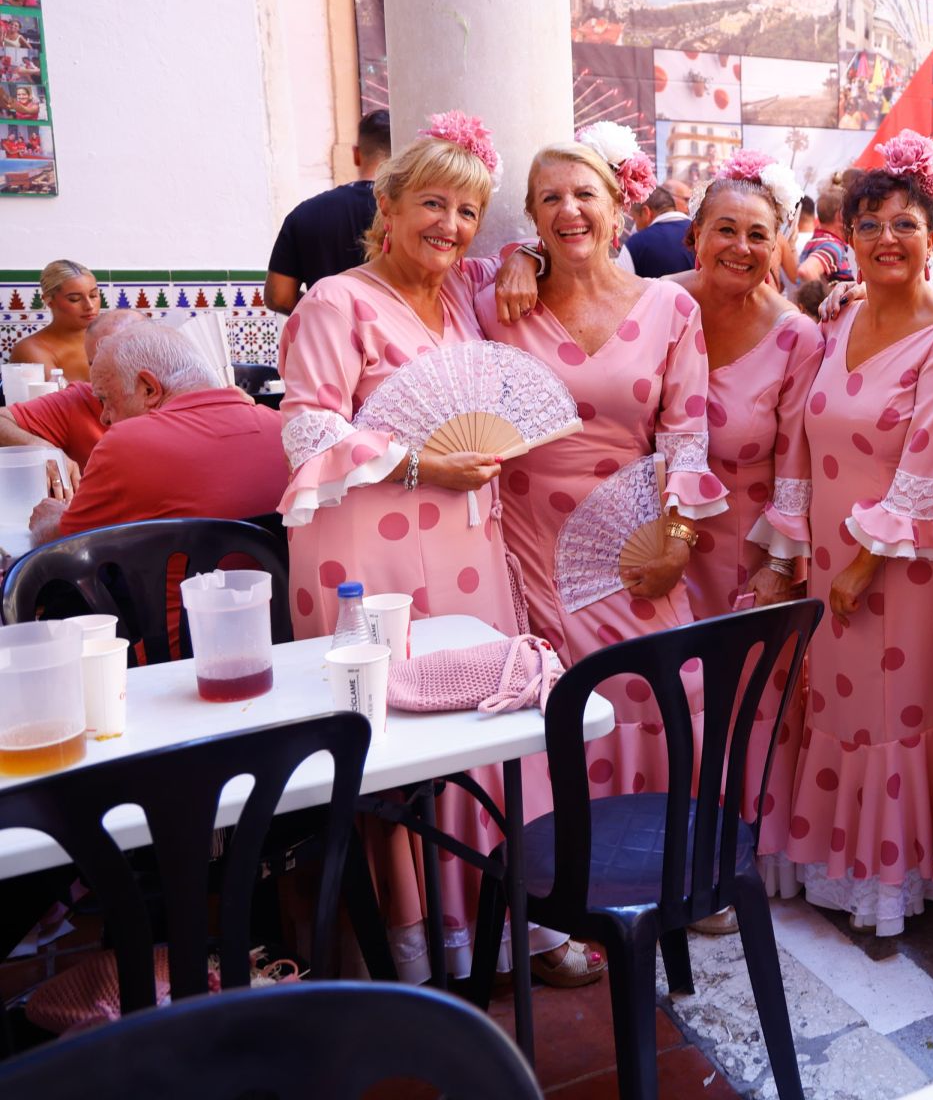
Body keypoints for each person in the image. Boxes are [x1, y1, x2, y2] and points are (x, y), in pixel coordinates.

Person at [277, 113, 561, 984]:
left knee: (482, 720)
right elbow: (306, 423)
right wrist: (415, 464)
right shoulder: (336, 300)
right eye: (432, 203)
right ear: (387, 208)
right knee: (393, 733)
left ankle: (507, 916)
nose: (450, 225)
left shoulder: (465, 297)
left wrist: (528, 256)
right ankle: (415, 940)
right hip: (369, 548)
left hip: (467, 542)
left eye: (469, 211)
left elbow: (532, 257)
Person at [776, 133, 933, 935]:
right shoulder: (839, 320)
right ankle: (834, 860)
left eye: (904, 224)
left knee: (893, 711)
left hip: (900, 566)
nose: (886, 239)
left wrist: (859, 568)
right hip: (827, 552)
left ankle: (888, 882)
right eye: (869, 225)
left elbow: (926, 470)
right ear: (847, 237)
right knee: (838, 707)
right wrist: (795, 546)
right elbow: (803, 433)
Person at [479, 138, 724, 731]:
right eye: (550, 198)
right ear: (534, 218)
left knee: (650, 699)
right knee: (543, 712)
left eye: (586, 194)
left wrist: (677, 544)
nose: (569, 210)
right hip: (524, 553)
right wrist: (519, 259)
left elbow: (685, 439)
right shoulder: (495, 308)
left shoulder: (670, 307)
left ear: (618, 209)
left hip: (633, 550)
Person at [670, 150, 824, 891]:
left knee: (735, 709)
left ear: (779, 243)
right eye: (724, 229)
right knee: (660, 700)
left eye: (759, 234)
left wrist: (777, 564)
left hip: (741, 553)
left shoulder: (798, 336)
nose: (740, 247)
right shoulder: (654, 305)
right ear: (693, 233)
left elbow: (797, 454)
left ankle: (723, 861)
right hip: (652, 552)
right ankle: (656, 847)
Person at [27, 324, 286, 544]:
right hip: (277, 600)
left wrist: (48, 518)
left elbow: (65, 542)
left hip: (170, 604)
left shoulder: (126, 444)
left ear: (149, 389)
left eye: (105, 399)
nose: (104, 416)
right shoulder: (284, 427)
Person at [265, 110, 392, 314]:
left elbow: (279, 297)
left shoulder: (305, 214)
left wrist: (328, 314)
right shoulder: (406, 215)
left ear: (356, 155)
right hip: (393, 341)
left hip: (327, 341)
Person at [0, 310, 143, 471]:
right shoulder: (79, 399)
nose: (98, 374)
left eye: (113, 365)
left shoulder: (173, 407)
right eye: (93, 363)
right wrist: (41, 448)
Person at [9, 260, 100, 384]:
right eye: (75, 299)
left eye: (93, 295)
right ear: (48, 301)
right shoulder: (30, 350)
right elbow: (57, 401)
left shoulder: (111, 338)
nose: (89, 306)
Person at [623, 183, 694, 276]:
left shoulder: (636, 243)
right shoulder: (700, 231)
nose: (635, 226)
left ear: (645, 212)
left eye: (635, 219)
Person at [794, 185, 856, 285]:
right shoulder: (833, 246)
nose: (854, 219)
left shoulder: (815, 241)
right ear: (841, 215)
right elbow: (806, 271)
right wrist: (825, 298)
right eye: (851, 213)